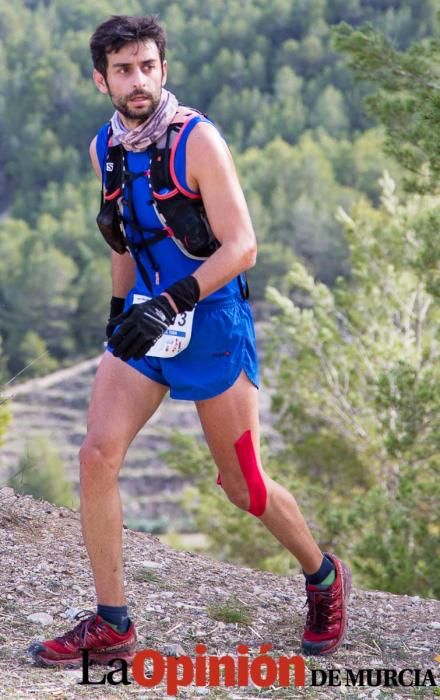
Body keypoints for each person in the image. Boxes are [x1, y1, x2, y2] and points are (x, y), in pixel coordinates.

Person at [28, 15, 351, 669]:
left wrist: (173, 301)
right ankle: (113, 623)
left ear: (163, 70)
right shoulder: (105, 149)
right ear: (102, 79)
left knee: (242, 487)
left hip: (210, 318)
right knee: (96, 455)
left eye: (148, 66)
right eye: (123, 69)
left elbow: (243, 247)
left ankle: (322, 576)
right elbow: (125, 240)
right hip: (148, 318)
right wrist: (121, 313)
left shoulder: (198, 140)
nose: (138, 79)